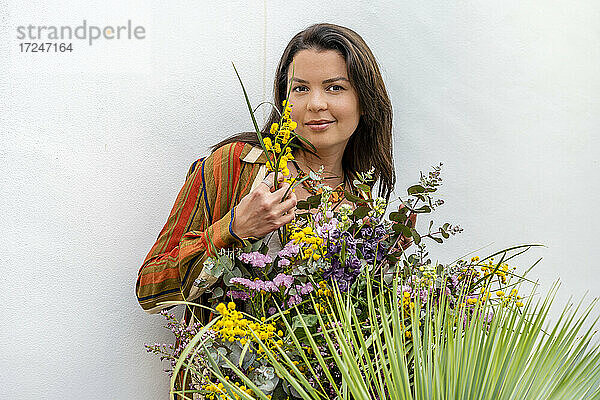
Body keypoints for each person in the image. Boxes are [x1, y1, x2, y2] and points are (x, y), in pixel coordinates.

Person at [136, 23, 399, 318]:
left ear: (364, 100)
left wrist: (383, 269)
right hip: (231, 364)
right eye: (300, 89)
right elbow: (150, 290)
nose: (315, 104)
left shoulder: (360, 204)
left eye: (335, 87)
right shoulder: (236, 164)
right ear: (284, 99)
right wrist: (233, 228)